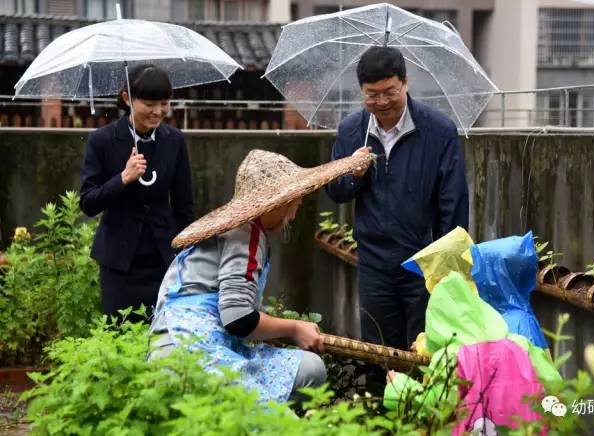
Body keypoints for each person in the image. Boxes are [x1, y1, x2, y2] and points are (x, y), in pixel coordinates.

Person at [150, 149, 372, 403]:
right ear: (278, 202)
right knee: (277, 409)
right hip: (189, 349)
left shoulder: (237, 231)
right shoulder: (247, 235)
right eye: (296, 199)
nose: (297, 208)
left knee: (310, 367)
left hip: (170, 343)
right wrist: (294, 328)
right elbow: (238, 319)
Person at [326, 46, 469, 351]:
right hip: (373, 262)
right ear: (361, 91)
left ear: (405, 82)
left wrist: (447, 267)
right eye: (372, 95)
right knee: (379, 350)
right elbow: (335, 192)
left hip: (423, 262)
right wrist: (354, 174)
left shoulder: (439, 131)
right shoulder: (351, 131)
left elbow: (453, 202)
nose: (381, 102)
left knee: (427, 348)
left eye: (390, 92)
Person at [79, 64, 194, 320]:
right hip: (119, 262)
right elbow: (88, 203)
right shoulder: (102, 140)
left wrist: (184, 254)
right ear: (127, 98)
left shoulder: (174, 140)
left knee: (163, 332)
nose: (158, 111)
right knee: (119, 332)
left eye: (164, 103)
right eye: (149, 103)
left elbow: (184, 205)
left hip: (163, 258)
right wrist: (123, 178)